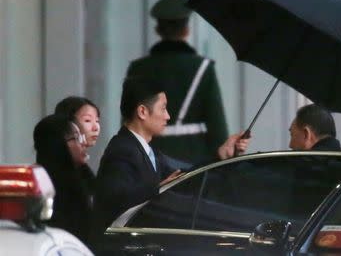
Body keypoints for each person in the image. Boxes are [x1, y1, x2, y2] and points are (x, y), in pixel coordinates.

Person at [92, 76, 248, 245]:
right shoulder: (121, 150)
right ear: (143, 111)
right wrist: (158, 188)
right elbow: (114, 198)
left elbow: (184, 178)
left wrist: (220, 155)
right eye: (163, 108)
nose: (167, 116)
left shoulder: (149, 151)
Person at [126, 0, 228, 166]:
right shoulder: (203, 68)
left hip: (149, 161)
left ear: (158, 30)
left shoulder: (138, 69)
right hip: (195, 162)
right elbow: (217, 126)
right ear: (186, 30)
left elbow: (130, 122)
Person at [33, 114, 94, 244]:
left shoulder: (84, 175)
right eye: (77, 138)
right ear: (58, 144)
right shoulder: (42, 185)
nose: (84, 143)